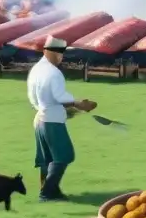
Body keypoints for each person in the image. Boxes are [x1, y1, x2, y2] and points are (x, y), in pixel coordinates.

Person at [26, 36, 96, 202]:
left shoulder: (36, 69)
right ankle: (47, 193)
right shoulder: (53, 72)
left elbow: (34, 97)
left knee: (47, 159)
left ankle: (52, 190)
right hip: (52, 121)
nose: (61, 58)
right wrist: (79, 104)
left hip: (40, 118)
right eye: (60, 54)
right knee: (64, 156)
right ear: (52, 53)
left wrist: (60, 109)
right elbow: (60, 96)